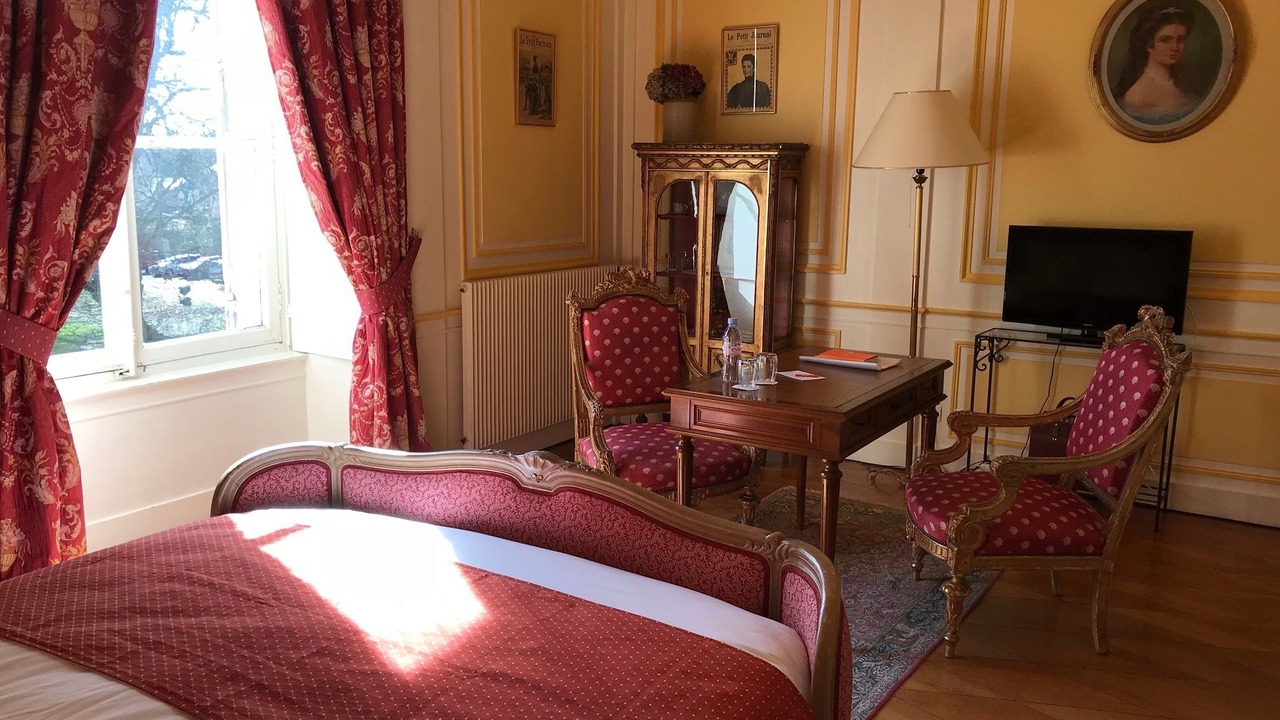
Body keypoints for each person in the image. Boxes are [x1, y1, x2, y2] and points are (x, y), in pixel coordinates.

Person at [1111, 5, 1198, 123]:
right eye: (1165, 40)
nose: (1175, 47)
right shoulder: (1138, 96)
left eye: (1181, 40)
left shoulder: (1184, 82)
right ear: (1148, 44)